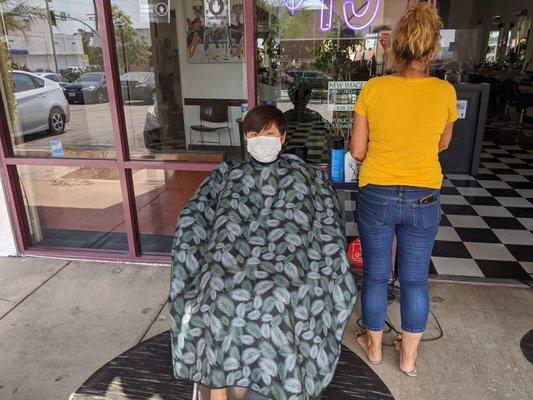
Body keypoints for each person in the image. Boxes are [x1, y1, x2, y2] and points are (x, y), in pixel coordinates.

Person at [169, 105, 356, 400]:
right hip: (227, 258)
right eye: (253, 134)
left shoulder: (305, 175)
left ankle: (281, 383)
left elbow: (324, 221)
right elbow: (196, 211)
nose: (260, 140)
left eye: (268, 133)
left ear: (282, 136)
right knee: (214, 301)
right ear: (245, 138)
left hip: (288, 261)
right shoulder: (228, 173)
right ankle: (217, 390)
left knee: (280, 302)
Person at [349, 3, 457, 377]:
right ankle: (408, 359)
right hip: (423, 194)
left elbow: (358, 151)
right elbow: (443, 144)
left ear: (394, 48)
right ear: (432, 51)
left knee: (377, 274)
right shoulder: (444, 92)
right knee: (414, 279)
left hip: (376, 191)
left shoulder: (374, 88)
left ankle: (374, 346)